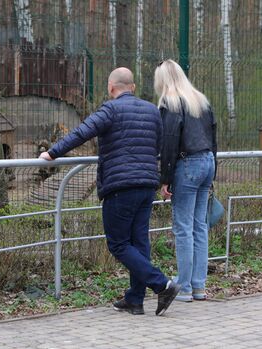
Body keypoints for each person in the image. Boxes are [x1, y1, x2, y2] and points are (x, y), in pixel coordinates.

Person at [39, 67, 180, 316]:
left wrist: (52, 153)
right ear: (133, 87)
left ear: (111, 88)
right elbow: (158, 144)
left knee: (118, 244)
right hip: (147, 183)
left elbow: (82, 132)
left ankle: (162, 284)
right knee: (138, 242)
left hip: (120, 186)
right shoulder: (151, 110)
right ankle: (135, 299)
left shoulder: (110, 109)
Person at [155, 59, 217, 302]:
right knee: (199, 226)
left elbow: (169, 144)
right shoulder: (200, 100)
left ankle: (185, 286)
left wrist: (165, 179)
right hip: (207, 162)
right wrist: (212, 170)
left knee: (183, 228)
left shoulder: (170, 104)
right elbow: (214, 138)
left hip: (187, 165)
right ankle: (199, 286)